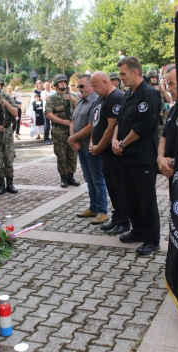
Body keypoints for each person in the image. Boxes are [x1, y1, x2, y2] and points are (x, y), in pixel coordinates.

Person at [112, 56, 161, 256]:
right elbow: (120, 119)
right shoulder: (128, 94)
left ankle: (152, 239)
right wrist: (115, 140)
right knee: (131, 197)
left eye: (123, 74)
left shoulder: (148, 94)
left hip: (143, 157)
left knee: (146, 199)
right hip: (126, 156)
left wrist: (122, 143)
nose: (120, 78)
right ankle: (138, 230)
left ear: (135, 72)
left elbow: (144, 127)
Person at [90, 71, 130, 235]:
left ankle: (124, 221)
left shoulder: (116, 97)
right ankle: (116, 217)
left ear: (106, 82)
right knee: (112, 188)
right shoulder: (101, 97)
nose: (93, 89)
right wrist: (93, 142)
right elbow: (96, 123)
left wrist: (99, 146)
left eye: (96, 85)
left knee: (120, 188)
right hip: (104, 153)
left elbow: (111, 126)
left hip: (113, 153)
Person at [67, 74, 108, 224]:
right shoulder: (80, 102)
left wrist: (73, 138)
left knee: (97, 179)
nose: (79, 89)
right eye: (78, 86)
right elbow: (73, 122)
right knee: (88, 179)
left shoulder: (95, 103)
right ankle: (94, 207)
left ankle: (102, 211)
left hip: (91, 148)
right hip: (80, 147)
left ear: (91, 86)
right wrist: (73, 139)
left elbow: (92, 126)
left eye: (82, 86)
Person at [45, 74, 79, 188]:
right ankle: (63, 177)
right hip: (59, 131)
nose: (63, 84)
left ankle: (71, 176)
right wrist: (62, 121)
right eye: (61, 82)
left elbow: (81, 107)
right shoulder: (52, 99)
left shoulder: (73, 96)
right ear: (56, 85)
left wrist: (71, 98)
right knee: (61, 155)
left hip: (72, 130)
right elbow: (48, 114)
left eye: (65, 82)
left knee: (72, 154)